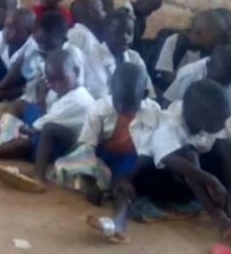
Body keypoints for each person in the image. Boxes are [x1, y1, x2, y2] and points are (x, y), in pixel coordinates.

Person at [0, 49, 95, 193]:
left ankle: (36, 174)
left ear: (75, 71)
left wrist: (22, 128)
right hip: (48, 129)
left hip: (62, 148)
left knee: (23, 142)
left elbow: (39, 126)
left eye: (61, 79)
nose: (57, 85)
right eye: (52, 81)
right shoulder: (65, 90)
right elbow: (44, 117)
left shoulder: (78, 100)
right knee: (20, 105)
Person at [51, 64, 161, 243]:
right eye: (117, 101)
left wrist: (128, 178)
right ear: (110, 90)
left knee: (122, 188)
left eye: (128, 104)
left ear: (144, 96)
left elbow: (148, 153)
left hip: (133, 162)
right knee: (65, 163)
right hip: (103, 158)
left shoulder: (154, 111)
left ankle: (118, 223)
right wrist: (90, 182)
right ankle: (101, 185)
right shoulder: (98, 109)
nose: (121, 107)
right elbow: (86, 148)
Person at [149, 80, 231, 239]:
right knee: (189, 154)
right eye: (217, 121)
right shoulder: (169, 125)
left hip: (201, 177)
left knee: (229, 146)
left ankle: (228, 208)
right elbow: (169, 159)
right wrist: (211, 180)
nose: (222, 125)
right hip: (166, 180)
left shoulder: (209, 117)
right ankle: (218, 217)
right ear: (193, 117)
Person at [153, 10, 228, 91]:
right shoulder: (174, 41)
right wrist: (188, 82)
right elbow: (165, 75)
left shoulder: (207, 53)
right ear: (199, 33)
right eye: (215, 39)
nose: (216, 43)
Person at [98, 11, 155, 97]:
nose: (125, 37)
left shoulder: (134, 57)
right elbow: (100, 94)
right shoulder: (94, 58)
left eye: (129, 33)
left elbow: (148, 91)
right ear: (105, 33)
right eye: (117, 33)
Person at [163, 46, 231, 105]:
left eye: (225, 81)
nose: (219, 85)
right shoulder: (189, 75)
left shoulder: (230, 77)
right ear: (207, 65)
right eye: (218, 80)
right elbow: (181, 110)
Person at [68, 0, 109, 98]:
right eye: (101, 9)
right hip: (81, 96)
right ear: (91, 13)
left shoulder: (87, 34)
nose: (105, 13)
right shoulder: (79, 34)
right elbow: (71, 66)